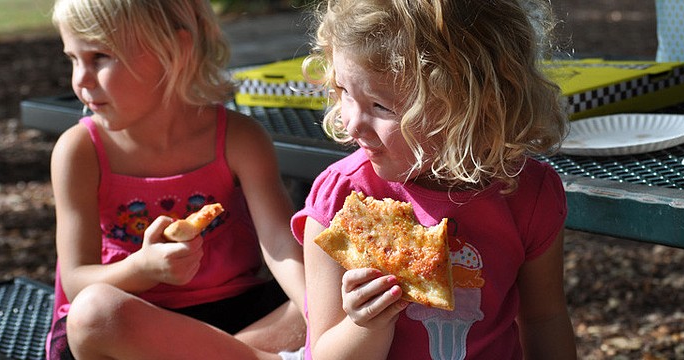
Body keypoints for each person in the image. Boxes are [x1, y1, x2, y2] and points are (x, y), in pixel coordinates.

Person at [291, 0, 578, 359]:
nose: (351, 123)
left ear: (470, 105)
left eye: (381, 107)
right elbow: (324, 353)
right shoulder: (341, 199)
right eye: (345, 92)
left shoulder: (527, 193)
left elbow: (544, 318)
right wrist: (365, 324)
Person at [46, 0, 305, 359]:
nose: (80, 80)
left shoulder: (239, 138)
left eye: (99, 57)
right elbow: (76, 283)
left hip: (240, 313)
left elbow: (280, 243)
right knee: (93, 313)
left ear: (176, 50)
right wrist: (142, 268)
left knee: (330, 284)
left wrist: (314, 302)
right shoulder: (79, 151)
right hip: (135, 319)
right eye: (73, 59)